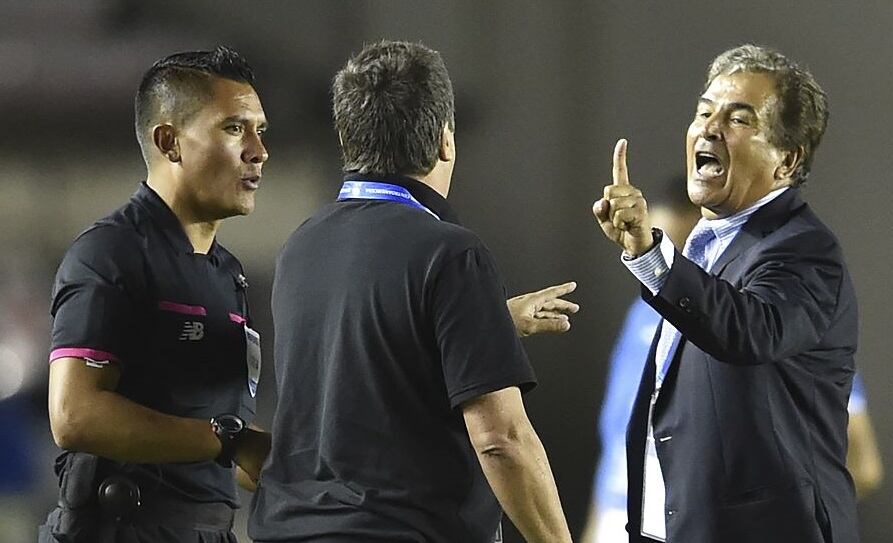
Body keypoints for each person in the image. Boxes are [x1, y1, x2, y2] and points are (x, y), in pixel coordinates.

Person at [249, 40, 575, 543]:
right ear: (446, 140)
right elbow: (501, 440)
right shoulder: (449, 254)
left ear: (347, 137)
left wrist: (489, 323)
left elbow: (368, 366)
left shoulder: (300, 249)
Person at [592, 44, 858, 542]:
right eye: (703, 112)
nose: (709, 128)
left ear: (787, 159)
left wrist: (652, 252)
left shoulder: (803, 249)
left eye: (738, 119)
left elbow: (749, 331)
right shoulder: (705, 249)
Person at [41, 46, 272, 543]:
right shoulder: (111, 252)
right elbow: (74, 415)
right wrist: (228, 442)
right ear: (170, 142)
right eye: (234, 128)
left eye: (260, 131)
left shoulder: (227, 274)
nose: (257, 150)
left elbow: (201, 440)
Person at [581, 182, 700, 543]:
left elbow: (861, 464)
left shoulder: (750, 327)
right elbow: (617, 437)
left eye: (679, 256)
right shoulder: (641, 317)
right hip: (620, 521)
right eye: (656, 250)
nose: (663, 271)